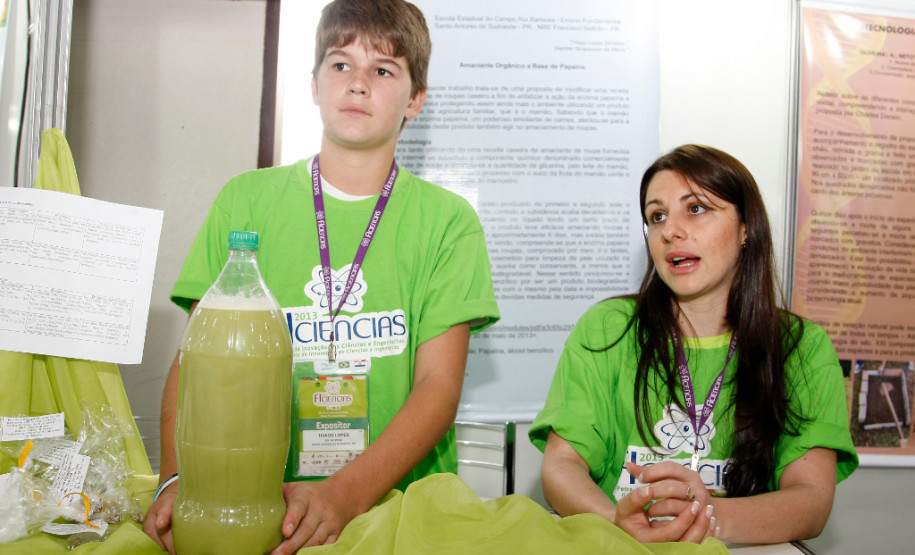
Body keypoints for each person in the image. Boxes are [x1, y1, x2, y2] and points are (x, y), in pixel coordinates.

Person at [142, 0, 499, 552]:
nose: (358, 84)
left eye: (383, 70)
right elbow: (193, 363)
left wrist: (342, 496)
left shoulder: (448, 223)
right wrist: (173, 479)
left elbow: (438, 386)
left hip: (400, 512)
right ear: (313, 84)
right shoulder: (246, 201)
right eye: (340, 64)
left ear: (416, 99)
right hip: (253, 504)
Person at [529, 145, 857, 544]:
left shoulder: (800, 347)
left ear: (745, 228)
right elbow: (561, 464)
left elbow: (812, 500)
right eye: (657, 216)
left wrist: (704, 518)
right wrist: (618, 523)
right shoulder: (607, 328)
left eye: (696, 208)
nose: (670, 231)